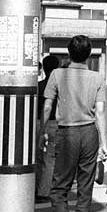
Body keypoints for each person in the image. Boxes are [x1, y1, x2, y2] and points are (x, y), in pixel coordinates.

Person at [41, 35, 107, 212]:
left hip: (66, 133)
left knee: (59, 189)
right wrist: (104, 143)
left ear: (68, 53)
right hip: (89, 133)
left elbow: (48, 105)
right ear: (89, 55)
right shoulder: (97, 78)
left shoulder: (57, 74)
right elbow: (99, 112)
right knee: (85, 188)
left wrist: (42, 132)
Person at [35, 54, 61, 203]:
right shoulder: (60, 88)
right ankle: (44, 191)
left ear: (43, 68)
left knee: (37, 158)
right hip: (54, 124)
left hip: (37, 122)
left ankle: (37, 187)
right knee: (49, 159)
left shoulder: (38, 86)